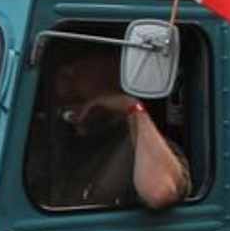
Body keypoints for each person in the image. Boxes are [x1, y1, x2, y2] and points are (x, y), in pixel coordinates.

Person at [25, 38, 189, 209]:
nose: (67, 87)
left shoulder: (139, 141)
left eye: (81, 72)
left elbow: (158, 193)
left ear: (115, 74)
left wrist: (133, 107)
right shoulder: (46, 136)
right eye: (62, 76)